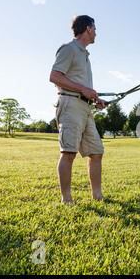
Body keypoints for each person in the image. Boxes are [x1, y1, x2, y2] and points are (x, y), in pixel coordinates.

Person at [49, 15, 108, 204]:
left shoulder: (84, 54)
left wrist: (96, 99)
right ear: (88, 29)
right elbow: (55, 76)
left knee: (96, 152)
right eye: (95, 29)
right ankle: (67, 200)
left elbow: (82, 85)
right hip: (70, 105)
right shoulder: (69, 49)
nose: (97, 33)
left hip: (85, 107)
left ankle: (97, 196)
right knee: (69, 152)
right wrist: (83, 89)